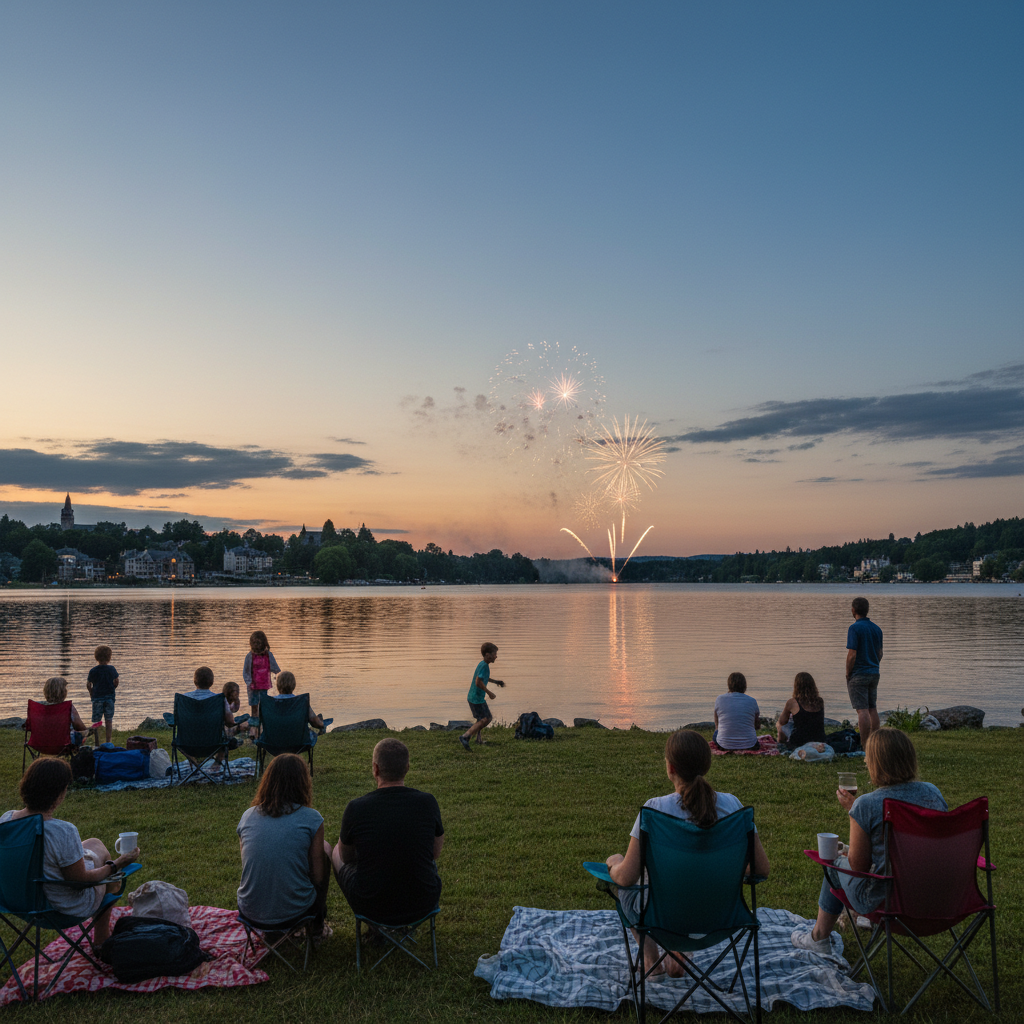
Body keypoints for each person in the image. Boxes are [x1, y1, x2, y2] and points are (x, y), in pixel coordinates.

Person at [604, 730, 771, 976]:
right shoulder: (733, 807)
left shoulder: (654, 810)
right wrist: (724, 866)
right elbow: (761, 869)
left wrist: (613, 864)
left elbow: (627, 878)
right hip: (720, 919)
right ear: (707, 765)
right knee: (685, 880)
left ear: (670, 768)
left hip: (663, 921)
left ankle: (652, 963)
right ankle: (678, 954)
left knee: (630, 885)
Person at [791, 727, 947, 954]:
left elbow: (859, 867)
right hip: (936, 897)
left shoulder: (867, 804)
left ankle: (818, 938)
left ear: (877, 763)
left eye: (867, 757)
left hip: (886, 901)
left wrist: (853, 813)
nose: (865, 761)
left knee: (834, 862)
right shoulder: (932, 793)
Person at [0, 757, 139, 946]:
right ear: (59, 794)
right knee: (106, 868)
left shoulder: (6, 821)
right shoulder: (62, 831)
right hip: (58, 909)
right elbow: (79, 882)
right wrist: (116, 865)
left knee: (93, 843)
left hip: (15, 903)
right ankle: (101, 940)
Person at [332, 738, 443, 927]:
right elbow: (435, 853)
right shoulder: (428, 802)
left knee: (336, 850)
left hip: (370, 905)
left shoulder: (356, 808)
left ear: (375, 769)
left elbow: (346, 857)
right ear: (407, 768)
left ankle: (373, 927)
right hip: (423, 903)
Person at [237, 753, 332, 943]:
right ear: (303, 783)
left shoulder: (247, 816)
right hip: (296, 913)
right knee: (326, 850)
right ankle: (316, 927)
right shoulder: (311, 818)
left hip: (249, 911)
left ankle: (274, 930)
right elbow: (318, 876)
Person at [179, 666, 237, 764]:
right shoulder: (219, 699)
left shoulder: (184, 699)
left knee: (177, 740)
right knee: (229, 739)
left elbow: (178, 720)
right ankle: (216, 765)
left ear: (194, 681)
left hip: (186, 744)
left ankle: (194, 763)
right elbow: (230, 722)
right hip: (214, 744)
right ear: (212, 682)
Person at [846, 597, 883, 744]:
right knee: (872, 708)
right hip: (874, 672)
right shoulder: (877, 629)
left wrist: (848, 673)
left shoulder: (854, 628)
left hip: (859, 673)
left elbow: (852, 654)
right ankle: (875, 742)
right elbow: (880, 653)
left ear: (853, 610)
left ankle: (864, 743)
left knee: (862, 710)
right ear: (867, 610)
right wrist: (873, 665)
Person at [460, 641, 504, 751]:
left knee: (481, 718)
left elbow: (484, 677)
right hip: (476, 699)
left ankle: (478, 739)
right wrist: (489, 693)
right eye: (494, 654)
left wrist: (496, 682)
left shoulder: (482, 664)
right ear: (488, 655)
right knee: (487, 718)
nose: (496, 656)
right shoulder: (484, 666)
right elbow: (478, 682)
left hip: (473, 697)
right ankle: (466, 736)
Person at [39, 675, 98, 747]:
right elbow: (80, 727)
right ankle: (97, 750)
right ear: (63, 692)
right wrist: (89, 730)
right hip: (64, 744)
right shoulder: (68, 707)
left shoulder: (39, 706)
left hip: (41, 743)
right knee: (90, 731)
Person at [273, 671, 325, 746]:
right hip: (299, 742)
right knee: (314, 728)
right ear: (294, 685)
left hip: (272, 742)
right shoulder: (301, 701)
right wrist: (322, 724)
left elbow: (260, 721)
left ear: (277, 685)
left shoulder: (269, 702)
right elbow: (314, 722)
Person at [712, 672, 761, 751]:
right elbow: (757, 725)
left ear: (729, 685)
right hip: (750, 745)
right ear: (745, 686)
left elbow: (717, 725)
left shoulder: (720, 699)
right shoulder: (752, 701)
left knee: (716, 733)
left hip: (724, 745)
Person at [777, 672, 827, 750]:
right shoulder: (820, 701)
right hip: (819, 739)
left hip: (799, 741)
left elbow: (782, 721)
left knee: (780, 725)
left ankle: (781, 742)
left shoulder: (792, 702)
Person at [243, 630, 281, 719]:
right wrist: (248, 682)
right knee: (254, 704)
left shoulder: (268, 655)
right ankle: (254, 720)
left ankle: (263, 720)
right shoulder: (249, 656)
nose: (256, 645)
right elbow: (245, 671)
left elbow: (274, 667)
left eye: (258, 643)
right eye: (254, 643)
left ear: (263, 643)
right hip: (252, 685)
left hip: (264, 685)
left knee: (264, 704)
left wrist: (276, 671)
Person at [86, 645, 119, 744]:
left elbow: (88, 684)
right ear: (109, 657)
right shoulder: (112, 669)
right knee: (109, 720)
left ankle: (97, 742)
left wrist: (91, 693)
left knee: (97, 722)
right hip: (109, 698)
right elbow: (116, 681)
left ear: (96, 657)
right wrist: (113, 688)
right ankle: (108, 742)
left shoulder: (93, 671)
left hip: (97, 698)